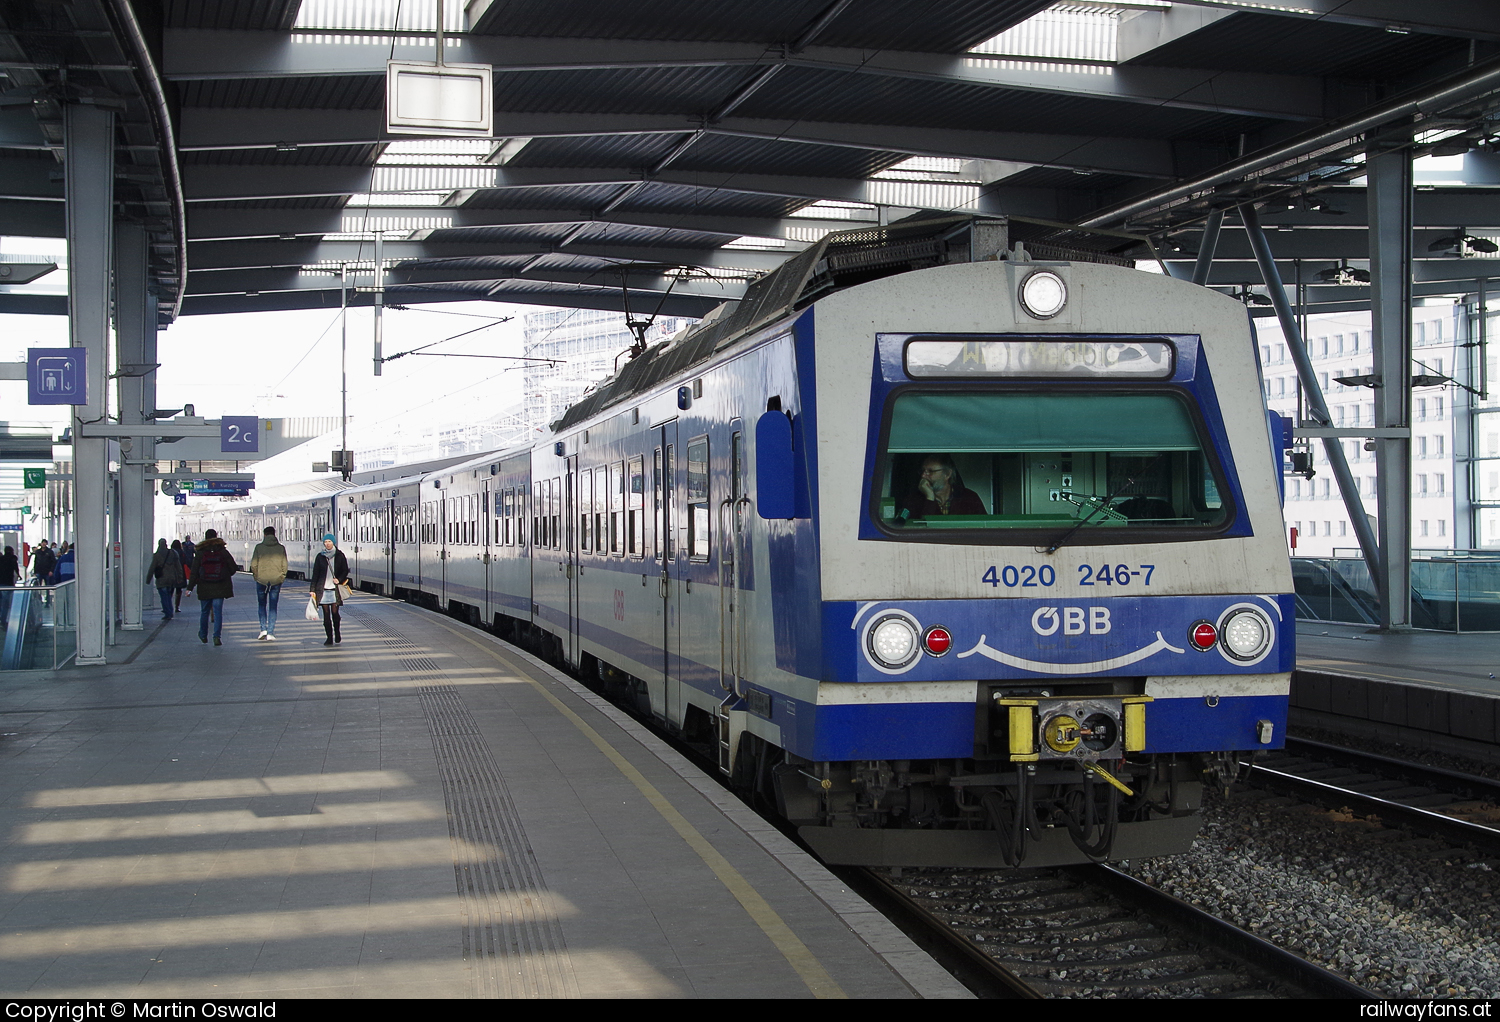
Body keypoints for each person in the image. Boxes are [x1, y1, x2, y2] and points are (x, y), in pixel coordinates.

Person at [896, 453, 987, 521]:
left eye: (930, 471)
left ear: (947, 474)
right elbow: (921, 531)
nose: (923, 475)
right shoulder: (912, 500)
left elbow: (985, 527)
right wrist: (930, 499)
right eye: (923, 471)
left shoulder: (970, 498)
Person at [189, 528, 240, 646]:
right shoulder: (222, 551)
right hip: (220, 587)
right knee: (217, 612)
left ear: (205, 538)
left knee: (204, 612)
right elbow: (233, 568)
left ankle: (203, 635)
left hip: (204, 586)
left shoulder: (200, 552)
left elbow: (194, 571)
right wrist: (224, 575)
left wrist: (190, 587)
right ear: (216, 536)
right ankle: (217, 636)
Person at [309, 533, 350, 646]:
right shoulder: (320, 557)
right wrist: (312, 589)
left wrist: (339, 579)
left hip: (334, 589)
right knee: (326, 615)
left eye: (329, 542)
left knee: (335, 613)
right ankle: (329, 638)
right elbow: (315, 574)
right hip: (322, 589)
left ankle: (337, 632)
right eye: (325, 542)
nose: (327, 544)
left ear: (333, 543)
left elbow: (345, 570)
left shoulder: (339, 555)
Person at [249, 525, 289, 640]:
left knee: (261, 605)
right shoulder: (281, 548)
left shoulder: (258, 547)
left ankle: (263, 629)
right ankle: (271, 632)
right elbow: (284, 565)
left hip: (261, 581)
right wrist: (281, 577)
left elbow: (253, 565)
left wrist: (257, 576)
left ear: (264, 534)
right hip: (276, 581)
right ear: (274, 534)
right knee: (273, 606)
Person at [146, 539, 184, 620]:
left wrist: (148, 579)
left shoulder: (157, 555)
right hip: (172, 578)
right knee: (169, 596)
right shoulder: (173, 553)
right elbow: (178, 566)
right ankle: (170, 611)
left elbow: (152, 567)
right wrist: (180, 577)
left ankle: (168, 613)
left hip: (161, 579)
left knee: (164, 597)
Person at [170, 539, 188, 611]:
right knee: (178, 590)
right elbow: (185, 561)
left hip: (172, 572)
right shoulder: (182, 552)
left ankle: (169, 605)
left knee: (170, 590)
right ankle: (177, 606)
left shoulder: (170, 552)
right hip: (180, 572)